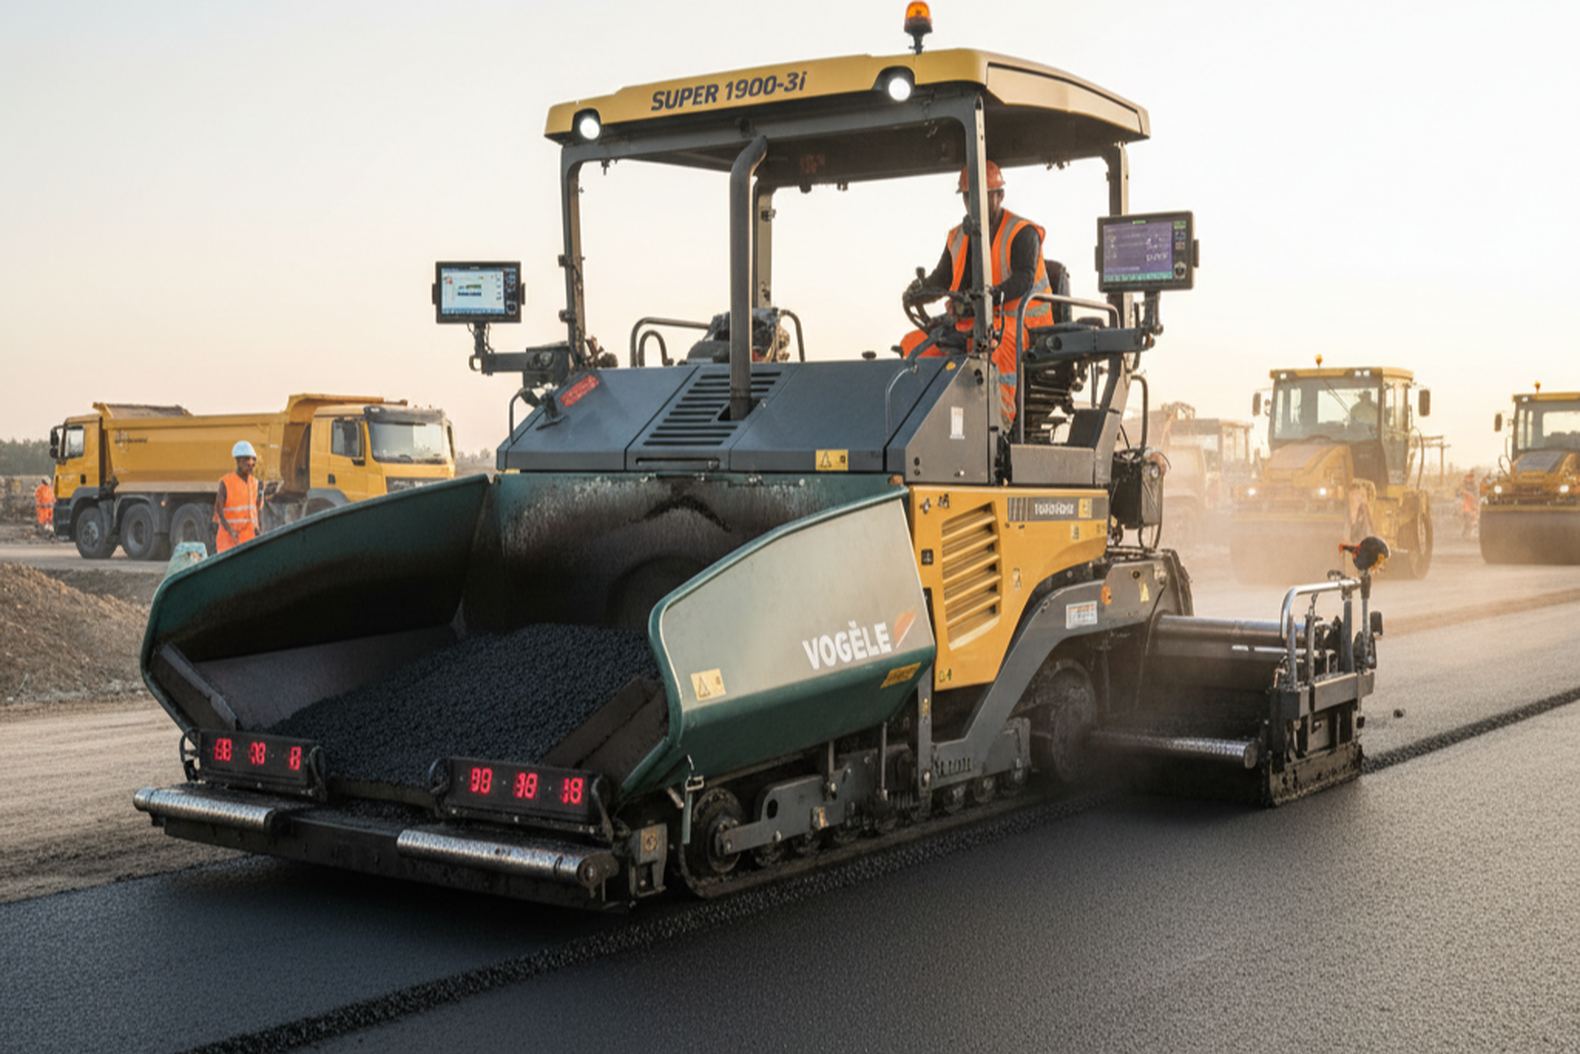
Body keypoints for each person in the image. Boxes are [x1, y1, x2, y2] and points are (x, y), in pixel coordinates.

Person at [900, 161, 1056, 425]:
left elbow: (1024, 278)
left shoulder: (1021, 232)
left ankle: (999, 427)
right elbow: (942, 277)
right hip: (972, 322)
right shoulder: (958, 236)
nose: (974, 203)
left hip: (1019, 323)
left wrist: (988, 297)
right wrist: (920, 293)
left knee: (997, 345)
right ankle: (922, 426)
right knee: (914, 344)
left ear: (999, 195)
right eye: (968, 197)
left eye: (982, 196)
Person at [213, 440, 261, 554]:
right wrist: (231, 531)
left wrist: (258, 530)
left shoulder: (255, 483)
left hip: (249, 541)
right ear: (238, 461)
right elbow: (219, 512)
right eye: (247, 461)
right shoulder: (226, 483)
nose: (251, 465)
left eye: (253, 462)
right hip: (228, 543)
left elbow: (255, 511)